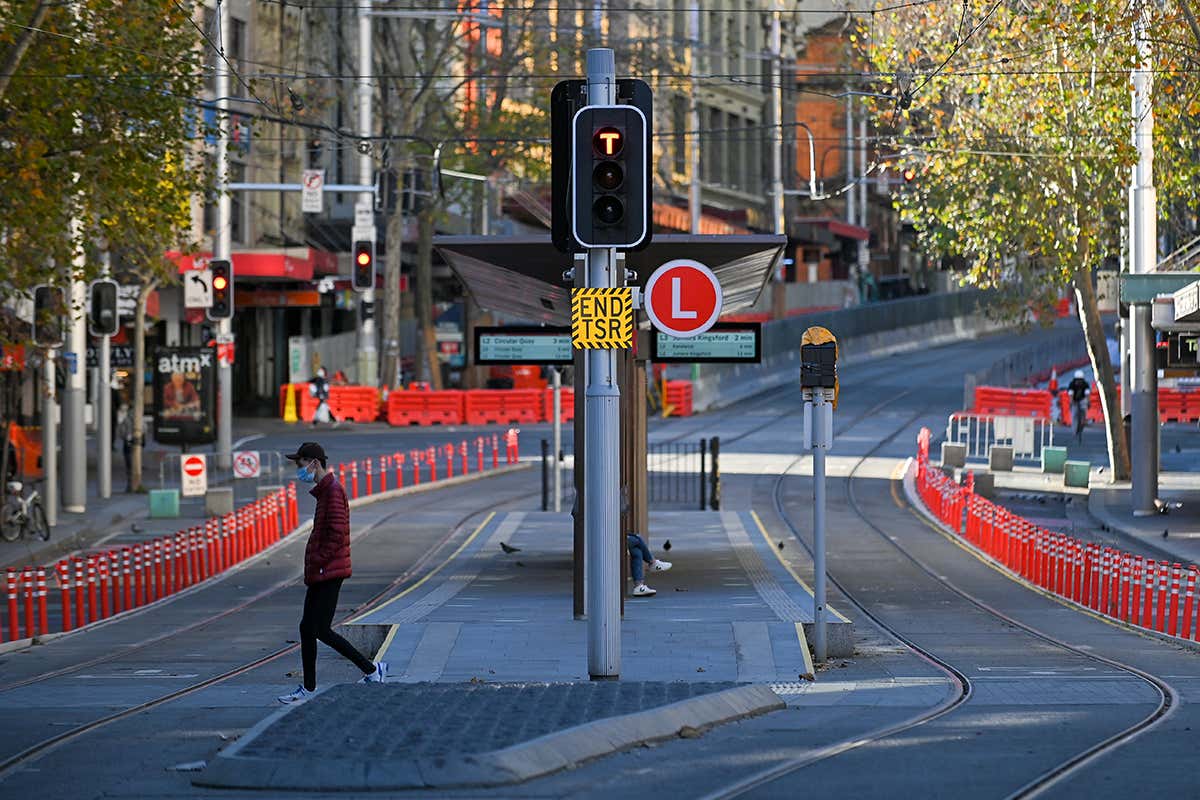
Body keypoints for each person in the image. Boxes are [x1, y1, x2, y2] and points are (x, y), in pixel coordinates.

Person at [277, 442, 386, 704]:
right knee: (308, 628)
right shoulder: (326, 491)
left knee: (321, 629)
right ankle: (310, 688)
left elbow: (336, 535)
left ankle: (372, 670)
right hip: (323, 571)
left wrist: (319, 561)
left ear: (314, 463)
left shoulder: (333, 492)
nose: (299, 470)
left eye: (300, 464)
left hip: (329, 571)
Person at [114, 402, 134, 492]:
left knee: (129, 464)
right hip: (134, 444)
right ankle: (131, 483)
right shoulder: (137, 418)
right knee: (130, 463)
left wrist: (126, 436)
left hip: (128, 444)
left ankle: (130, 484)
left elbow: (120, 432)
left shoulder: (125, 419)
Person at [1067, 370, 1091, 443]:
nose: (1079, 382)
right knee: (1074, 415)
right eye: (1077, 380)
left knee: (1083, 409)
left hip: (1082, 399)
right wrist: (1071, 402)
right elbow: (1070, 395)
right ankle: (1074, 431)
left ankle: (1083, 420)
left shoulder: (1085, 384)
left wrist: (1088, 402)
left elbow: (1087, 395)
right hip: (1074, 400)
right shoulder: (1072, 384)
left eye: (1080, 380)